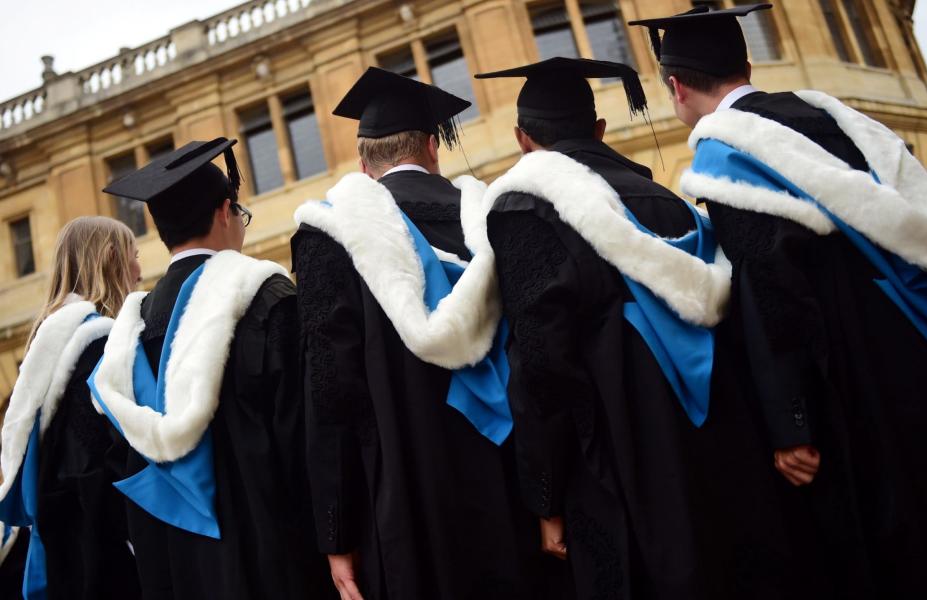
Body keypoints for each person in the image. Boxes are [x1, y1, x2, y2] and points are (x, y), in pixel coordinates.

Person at [634, 4, 927, 598]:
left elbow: (771, 291)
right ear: (748, 64)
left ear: (676, 87)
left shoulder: (728, 154)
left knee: (897, 543)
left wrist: (792, 423)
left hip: (852, 370)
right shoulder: (836, 117)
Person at [474, 56, 814, 599]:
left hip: (619, 470)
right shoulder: (669, 201)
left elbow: (542, 364)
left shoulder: (527, 209)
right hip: (720, 454)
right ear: (600, 130)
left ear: (522, 140)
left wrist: (547, 495)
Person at [292, 67, 548, 600]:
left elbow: (330, 392)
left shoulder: (330, 239)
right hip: (514, 486)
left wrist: (337, 532)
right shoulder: (494, 219)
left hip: (404, 501)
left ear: (364, 165)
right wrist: (551, 496)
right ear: (435, 146)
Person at [89, 139, 333, 600]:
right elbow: (304, 435)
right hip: (273, 558)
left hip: (177, 571)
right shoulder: (264, 297)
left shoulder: (127, 333)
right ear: (225, 212)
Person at [0, 216, 142, 599]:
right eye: (135, 256)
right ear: (112, 257)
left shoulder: (46, 349)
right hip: (103, 559)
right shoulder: (95, 345)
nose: (140, 272)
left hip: (65, 547)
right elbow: (95, 464)